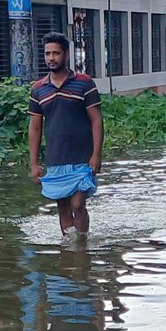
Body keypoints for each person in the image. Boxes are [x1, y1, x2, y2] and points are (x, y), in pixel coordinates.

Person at [28, 32, 104, 242]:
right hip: (56, 158)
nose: (51, 58)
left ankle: (82, 243)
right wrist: (34, 163)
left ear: (66, 54)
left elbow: (97, 121)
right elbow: (34, 128)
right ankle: (72, 251)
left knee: (78, 203)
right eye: (47, 54)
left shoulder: (84, 83)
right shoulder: (38, 89)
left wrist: (96, 154)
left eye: (56, 53)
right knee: (62, 207)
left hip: (82, 157)